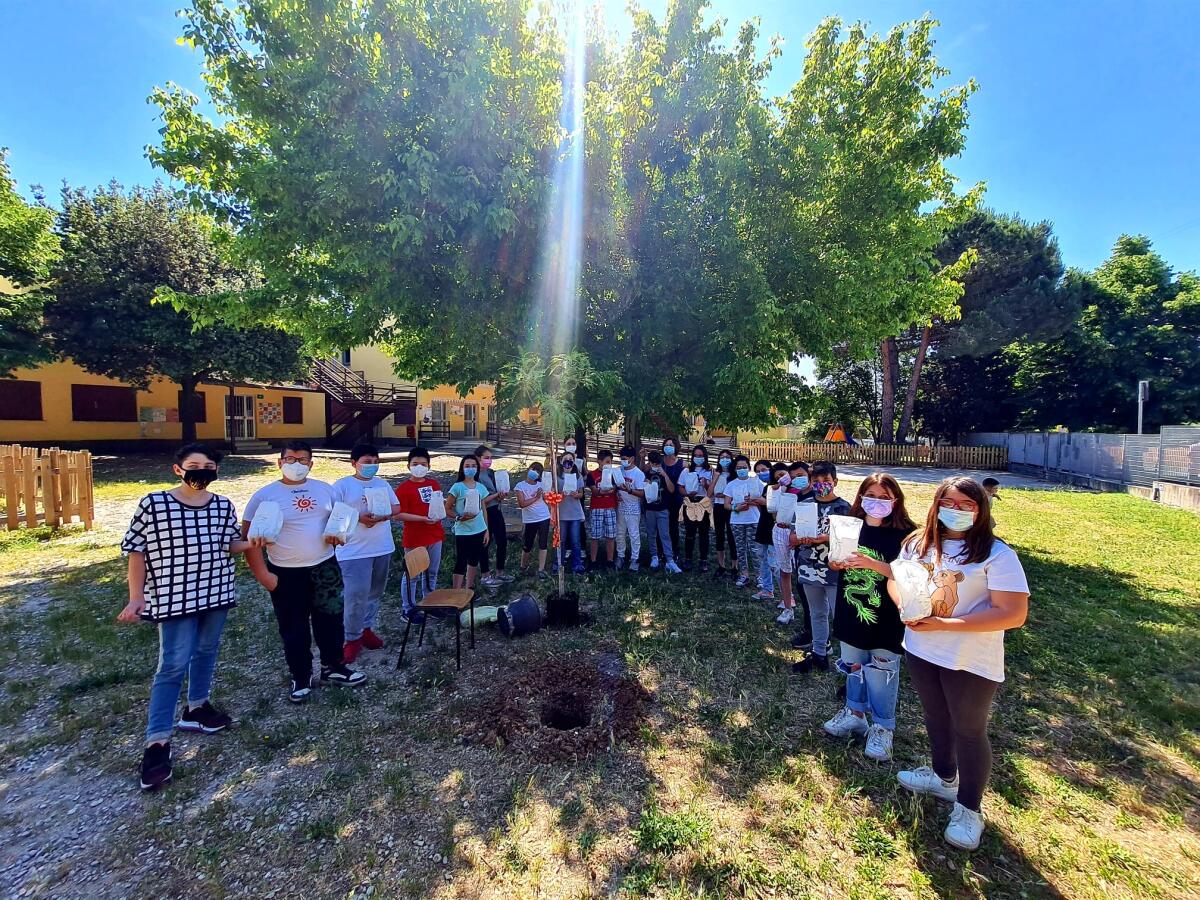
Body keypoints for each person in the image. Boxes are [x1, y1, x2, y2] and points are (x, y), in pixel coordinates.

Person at [892, 476, 1029, 851]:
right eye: (949, 503)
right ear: (936, 505)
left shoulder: (997, 554)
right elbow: (898, 579)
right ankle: (942, 776)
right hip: (921, 648)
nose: (957, 511)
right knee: (935, 717)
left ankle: (969, 807)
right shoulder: (919, 543)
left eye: (967, 505)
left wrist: (944, 624)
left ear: (981, 510)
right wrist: (903, 604)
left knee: (969, 730)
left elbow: (1012, 613)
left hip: (968, 658)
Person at [119, 443, 249, 790]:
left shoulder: (222, 505)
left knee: (207, 651)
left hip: (216, 592)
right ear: (178, 469)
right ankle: (157, 742)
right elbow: (136, 551)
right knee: (173, 664)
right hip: (173, 598)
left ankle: (197, 707)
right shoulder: (155, 504)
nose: (201, 471)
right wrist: (136, 598)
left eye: (209, 466)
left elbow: (230, 544)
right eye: (194, 465)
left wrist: (257, 542)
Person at [243, 440, 365, 706]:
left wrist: (340, 535)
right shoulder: (264, 495)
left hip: (325, 568)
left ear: (311, 463)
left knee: (331, 620)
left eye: (302, 460)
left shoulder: (324, 490)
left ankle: (333, 666)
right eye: (290, 459)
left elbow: (341, 520)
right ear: (280, 462)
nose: (296, 465)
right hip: (285, 572)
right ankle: (301, 675)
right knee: (293, 626)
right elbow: (249, 538)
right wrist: (263, 575)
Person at [822, 473, 917, 762]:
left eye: (884, 497)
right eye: (871, 496)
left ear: (896, 501)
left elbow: (912, 576)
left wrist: (873, 564)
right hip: (852, 611)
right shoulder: (851, 527)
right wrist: (833, 562)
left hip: (887, 617)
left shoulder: (909, 536)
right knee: (852, 664)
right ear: (861, 497)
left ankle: (883, 727)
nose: (876, 502)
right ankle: (854, 712)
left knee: (882, 671)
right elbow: (834, 560)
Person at [332, 442, 399, 664]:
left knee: (374, 592)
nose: (372, 466)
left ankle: (366, 628)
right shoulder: (342, 486)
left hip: (381, 546)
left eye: (375, 462)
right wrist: (359, 517)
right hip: (353, 550)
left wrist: (383, 515)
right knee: (355, 595)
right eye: (367, 462)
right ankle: (351, 639)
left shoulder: (382, 484)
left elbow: (396, 507)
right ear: (354, 463)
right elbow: (333, 512)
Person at [792, 461, 852, 672]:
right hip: (809, 566)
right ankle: (819, 653)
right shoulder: (804, 505)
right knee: (816, 612)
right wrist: (802, 539)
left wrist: (825, 538)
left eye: (826, 480)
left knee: (841, 615)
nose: (821, 484)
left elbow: (851, 542)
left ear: (835, 481)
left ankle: (849, 660)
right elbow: (792, 537)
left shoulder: (845, 508)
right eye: (816, 481)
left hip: (835, 570)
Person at [393, 446, 447, 622]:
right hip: (415, 537)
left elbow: (438, 505)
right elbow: (397, 514)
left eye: (423, 464)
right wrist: (422, 519)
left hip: (435, 535)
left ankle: (429, 604)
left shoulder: (433, 484)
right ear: (408, 466)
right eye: (415, 463)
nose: (419, 467)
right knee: (412, 575)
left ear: (429, 466)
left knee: (432, 572)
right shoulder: (403, 488)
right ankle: (408, 609)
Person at [446, 454, 491, 589]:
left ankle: (468, 589)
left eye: (473, 466)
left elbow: (483, 509)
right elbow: (447, 508)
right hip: (463, 531)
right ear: (462, 468)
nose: (470, 469)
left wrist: (487, 530)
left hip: (479, 529)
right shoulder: (457, 487)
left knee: (473, 560)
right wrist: (459, 517)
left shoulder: (481, 487)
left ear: (477, 468)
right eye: (467, 466)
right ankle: (456, 593)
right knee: (461, 561)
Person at [474, 445, 513, 587]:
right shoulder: (475, 475)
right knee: (485, 542)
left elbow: (496, 491)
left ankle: (500, 572)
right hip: (484, 511)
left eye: (490, 458)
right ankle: (485, 575)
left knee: (502, 540)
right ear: (478, 458)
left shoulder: (491, 473)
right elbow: (480, 499)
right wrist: (496, 495)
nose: (489, 461)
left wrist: (501, 495)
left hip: (496, 509)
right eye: (486, 458)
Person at [721, 454, 760, 588]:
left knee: (755, 549)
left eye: (744, 467)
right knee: (740, 549)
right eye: (739, 467)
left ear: (749, 468)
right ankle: (744, 575)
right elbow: (726, 504)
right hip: (737, 521)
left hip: (753, 520)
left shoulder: (756, 482)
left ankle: (760, 576)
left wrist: (752, 502)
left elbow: (764, 501)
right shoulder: (731, 484)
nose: (741, 469)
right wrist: (735, 508)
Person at [643, 450, 683, 574]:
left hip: (663, 509)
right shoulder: (646, 473)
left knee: (665, 534)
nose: (655, 466)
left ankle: (669, 560)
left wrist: (665, 475)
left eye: (657, 464)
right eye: (653, 464)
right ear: (649, 463)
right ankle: (654, 556)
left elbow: (671, 490)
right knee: (651, 534)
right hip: (650, 509)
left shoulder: (663, 473)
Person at [750, 460, 782, 609]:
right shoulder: (766, 487)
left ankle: (787, 596)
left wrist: (762, 501)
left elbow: (774, 505)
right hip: (763, 527)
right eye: (757, 471)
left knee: (775, 564)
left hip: (775, 530)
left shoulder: (780, 488)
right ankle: (767, 589)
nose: (761, 473)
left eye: (764, 469)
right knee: (762, 559)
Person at [515, 461, 552, 579]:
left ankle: (541, 569)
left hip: (543, 516)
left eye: (538, 472)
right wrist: (536, 497)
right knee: (527, 544)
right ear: (529, 469)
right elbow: (522, 504)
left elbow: (549, 499)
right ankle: (523, 566)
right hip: (530, 519)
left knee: (543, 543)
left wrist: (546, 495)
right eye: (533, 469)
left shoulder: (541, 485)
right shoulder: (520, 486)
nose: (534, 473)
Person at [681, 445, 714, 572]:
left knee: (704, 533)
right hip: (690, 502)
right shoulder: (687, 470)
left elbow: (712, 491)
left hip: (703, 502)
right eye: (696, 455)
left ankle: (703, 560)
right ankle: (688, 559)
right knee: (689, 532)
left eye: (701, 455)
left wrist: (706, 484)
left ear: (705, 456)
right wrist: (687, 494)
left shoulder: (710, 471)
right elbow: (680, 487)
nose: (698, 458)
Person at [614, 446, 647, 571]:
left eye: (624, 458)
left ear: (632, 459)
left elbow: (641, 493)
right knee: (620, 533)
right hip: (620, 506)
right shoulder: (619, 470)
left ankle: (635, 558)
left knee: (634, 534)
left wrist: (629, 490)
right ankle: (620, 556)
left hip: (633, 507)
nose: (622, 461)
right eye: (621, 458)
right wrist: (617, 492)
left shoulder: (638, 474)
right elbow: (615, 486)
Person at [556, 450, 587, 574]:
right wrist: (561, 494)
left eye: (570, 459)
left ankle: (577, 564)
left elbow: (581, 493)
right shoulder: (557, 476)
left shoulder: (577, 476)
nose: (568, 461)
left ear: (574, 462)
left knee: (575, 540)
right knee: (561, 540)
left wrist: (576, 495)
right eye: (566, 459)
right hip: (562, 513)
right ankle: (559, 563)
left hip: (574, 513)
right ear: (561, 461)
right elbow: (554, 494)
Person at [587, 449, 619, 568]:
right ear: (599, 461)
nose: (609, 464)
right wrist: (602, 491)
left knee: (610, 535)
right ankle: (593, 561)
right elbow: (594, 491)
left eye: (610, 462)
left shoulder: (613, 474)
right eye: (607, 461)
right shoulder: (592, 475)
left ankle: (610, 560)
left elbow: (616, 487)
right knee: (595, 535)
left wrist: (613, 489)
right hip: (597, 508)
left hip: (610, 507)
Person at [658, 437, 686, 562]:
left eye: (671, 444)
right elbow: (645, 470)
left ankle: (674, 551)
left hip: (676, 499)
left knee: (673, 526)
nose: (668, 446)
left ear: (676, 448)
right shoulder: (659, 461)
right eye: (666, 444)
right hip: (661, 498)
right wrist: (642, 458)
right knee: (660, 526)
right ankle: (660, 551)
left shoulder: (682, 464)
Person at [711, 449, 738, 578]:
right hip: (718, 507)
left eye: (727, 457)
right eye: (722, 457)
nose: (725, 459)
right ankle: (721, 566)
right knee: (719, 535)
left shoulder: (735, 475)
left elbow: (736, 495)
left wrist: (724, 495)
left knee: (732, 536)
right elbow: (710, 493)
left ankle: (734, 566)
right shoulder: (716, 474)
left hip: (731, 508)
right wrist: (715, 478)